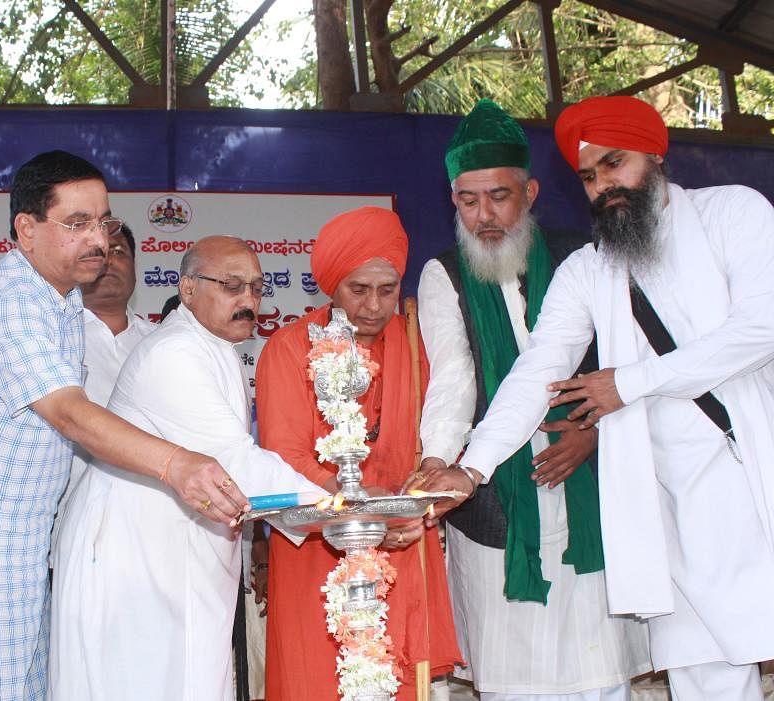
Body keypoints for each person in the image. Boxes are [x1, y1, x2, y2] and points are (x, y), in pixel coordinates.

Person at [422, 95, 774, 700]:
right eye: (589, 176)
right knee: (697, 667)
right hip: (655, 494)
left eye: (615, 165)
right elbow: (538, 371)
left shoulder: (733, 213)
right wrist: (472, 466)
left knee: (738, 653)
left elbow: (761, 328)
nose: (603, 185)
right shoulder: (589, 268)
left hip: (741, 473)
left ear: (655, 155)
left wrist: (629, 382)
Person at [0, 150, 247, 700]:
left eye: (103, 222)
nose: (98, 240)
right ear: (25, 230)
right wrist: (177, 465)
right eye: (76, 224)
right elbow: (70, 414)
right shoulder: (9, 299)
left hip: (20, 558)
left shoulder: (62, 302)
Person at [415, 99, 649, 700]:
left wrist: (594, 433)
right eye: (468, 201)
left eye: (499, 196)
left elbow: (630, 364)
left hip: (592, 484)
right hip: (492, 498)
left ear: (532, 191)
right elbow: (453, 378)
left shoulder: (587, 256)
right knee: (511, 677)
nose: (484, 215)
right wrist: (440, 461)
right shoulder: (443, 274)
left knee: (599, 674)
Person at [49, 236, 323, 701]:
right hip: (133, 559)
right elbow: (235, 464)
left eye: (256, 289)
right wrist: (338, 511)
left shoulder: (216, 348)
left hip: (177, 554)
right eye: (232, 286)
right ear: (189, 288)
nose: (248, 301)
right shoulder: (174, 353)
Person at [256, 207, 462, 701]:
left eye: (387, 290)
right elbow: (284, 456)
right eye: (358, 289)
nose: (374, 305)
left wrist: (414, 509)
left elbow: (434, 443)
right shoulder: (287, 349)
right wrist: (362, 514)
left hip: (402, 544)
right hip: (318, 546)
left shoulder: (416, 346)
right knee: (318, 680)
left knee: (397, 679)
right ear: (331, 285)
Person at [52, 222, 156, 545]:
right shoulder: (53, 337)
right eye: (98, 254)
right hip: (71, 532)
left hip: (151, 530)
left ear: (136, 268)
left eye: (119, 252)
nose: (110, 262)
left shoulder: (162, 343)